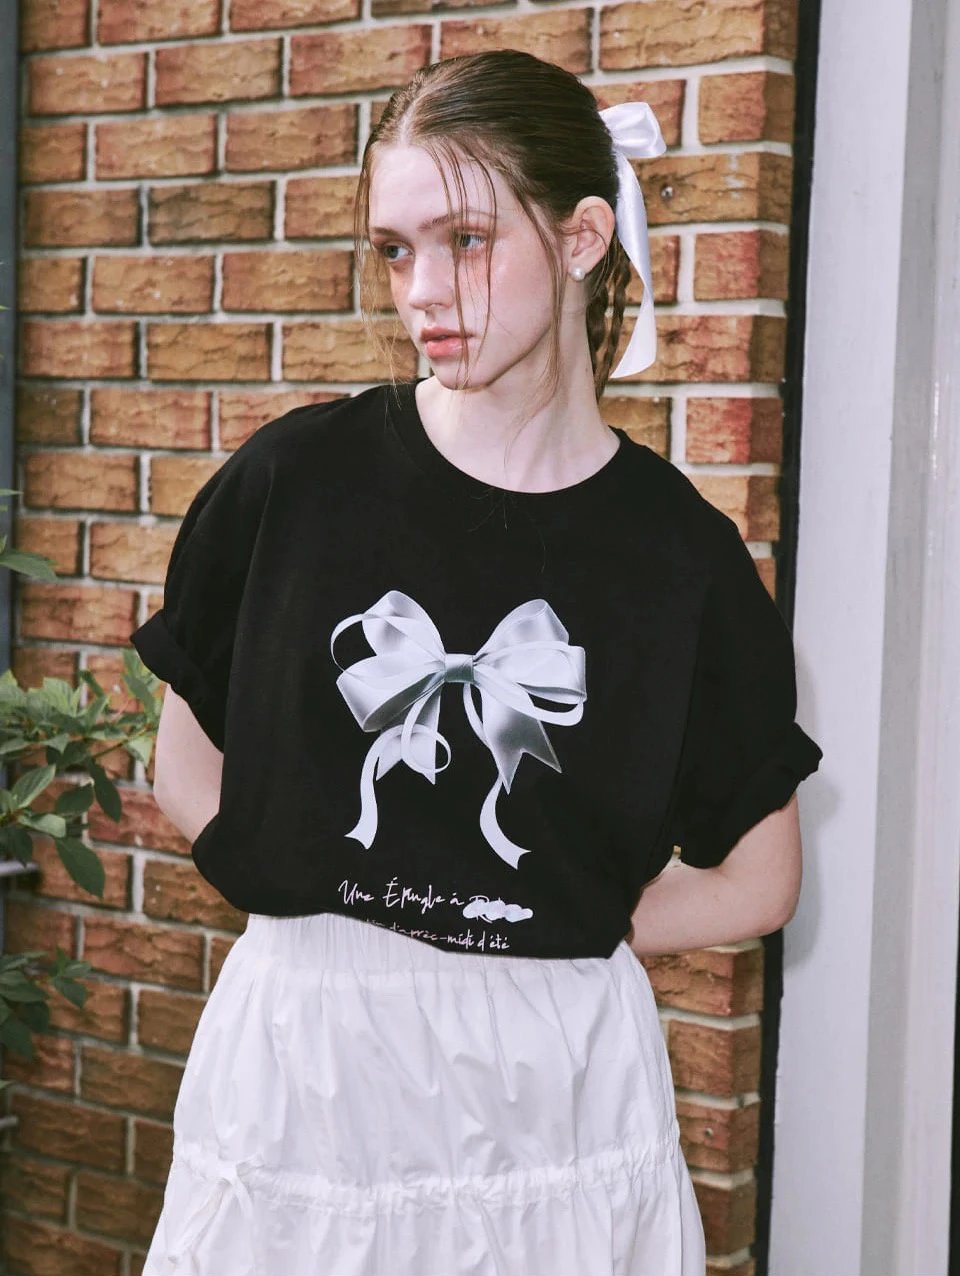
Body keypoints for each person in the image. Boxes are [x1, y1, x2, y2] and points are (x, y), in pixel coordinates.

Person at [132, 48, 822, 1276]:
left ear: (582, 237)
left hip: (551, 1082)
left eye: (466, 241)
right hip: (309, 1067)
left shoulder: (682, 557)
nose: (424, 291)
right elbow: (184, 768)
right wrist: (342, 917)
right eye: (396, 250)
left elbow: (761, 879)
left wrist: (544, 927)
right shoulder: (294, 483)